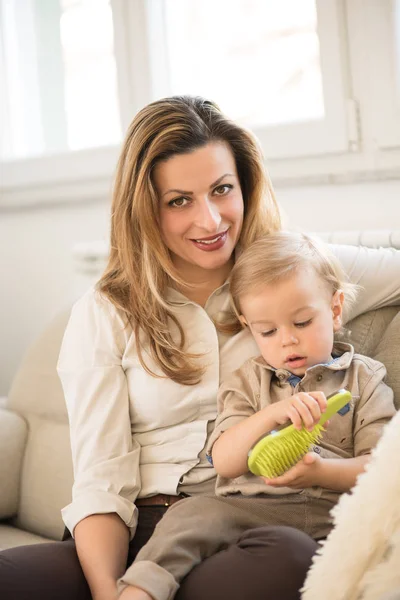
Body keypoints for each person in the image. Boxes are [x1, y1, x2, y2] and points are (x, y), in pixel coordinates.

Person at [0, 96, 399, 600]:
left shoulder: (291, 272)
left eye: (222, 189)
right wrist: (110, 591)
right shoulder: (104, 311)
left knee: (290, 556)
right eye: (179, 200)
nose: (210, 221)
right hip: (136, 533)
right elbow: (103, 482)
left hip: (250, 526)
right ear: (145, 208)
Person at [115, 231, 396, 600]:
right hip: (251, 508)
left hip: (333, 510)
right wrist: (272, 414)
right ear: (250, 328)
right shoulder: (248, 381)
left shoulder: (365, 378)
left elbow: (381, 469)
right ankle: (142, 589)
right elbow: (226, 462)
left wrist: (320, 472)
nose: (287, 340)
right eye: (268, 331)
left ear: (336, 309)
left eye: (302, 323)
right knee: (191, 513)